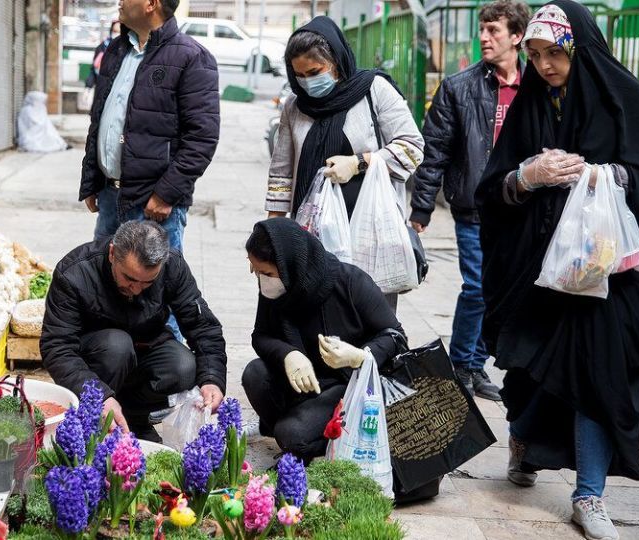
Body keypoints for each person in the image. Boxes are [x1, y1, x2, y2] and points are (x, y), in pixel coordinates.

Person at [476, 2, 639, 539]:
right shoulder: (531, 104)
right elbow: (493, 188)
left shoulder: (624, 100)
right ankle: (526, 446)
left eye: (555, 54)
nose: (545, 66)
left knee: (600, 377)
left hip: (609, 278)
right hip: (541, 274)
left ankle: (590, 495)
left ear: (581, 50)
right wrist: (526, 176)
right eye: (534, 56)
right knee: (533, 370)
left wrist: (604, 176)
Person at [409, 0, 532, 401]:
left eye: (494, 31)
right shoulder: (458, 88)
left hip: (521, 208)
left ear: (517, 37)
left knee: (498, 290)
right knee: (478, 287)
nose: (484, 37)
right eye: (482, 29)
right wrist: (421, 207)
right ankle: (462, 363)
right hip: (474, 206)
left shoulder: (535, 88)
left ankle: (476, 365)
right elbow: (434, 152)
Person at [265, 17, 423, 309]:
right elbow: (282, 171)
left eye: (315, 71)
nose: (308, 82)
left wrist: (360, 162)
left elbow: (413, 147)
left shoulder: (374, 90)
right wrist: (273, 230)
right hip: (312, 235)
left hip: (369, 231)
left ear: (336, 62)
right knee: (316, 317)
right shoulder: (294, 106)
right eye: (300, 75)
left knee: (370, 315)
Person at [40, 221, 227, 443]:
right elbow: (57, 347)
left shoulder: (172, 266)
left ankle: (133, 418)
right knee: (117, 346)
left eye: (147, 282)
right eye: (129, 278)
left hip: (146, 347)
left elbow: (202, 326)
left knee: (182, 366)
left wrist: (212, 379)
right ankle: (91, 424)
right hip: (98, 359)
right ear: (112, 254)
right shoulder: (75, 273)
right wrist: (99, 397)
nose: (136, 289)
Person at [241, 218, 408, 463]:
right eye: (255, 271)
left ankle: (312, 439)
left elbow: (396, 336)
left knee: (292, 434)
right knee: (255, 374)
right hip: (305, 381)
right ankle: (292, 428)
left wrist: (360, 355)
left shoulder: (351, 282)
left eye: (266, 273)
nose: (261, 279)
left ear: (290, 266)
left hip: (346, 385)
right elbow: (261, 335)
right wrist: (288, 354)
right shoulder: (278, 286)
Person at [80, 0, 220, 253]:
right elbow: (99, 119)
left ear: (151, 4)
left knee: (154, 289)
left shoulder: (191, 57)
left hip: (153, 205)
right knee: (103, 283)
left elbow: (202, 138)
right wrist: (91, 180)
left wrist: (166, 195)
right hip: (110, 195)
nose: (120, 2)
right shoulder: (115, 50)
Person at [86, 21, 121, 89]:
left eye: (119, 32)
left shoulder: (125, 51)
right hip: (101, 86)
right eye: (115, 31)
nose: (116, 34)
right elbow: (94, 68)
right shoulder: (102, 47)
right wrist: (88, 86)